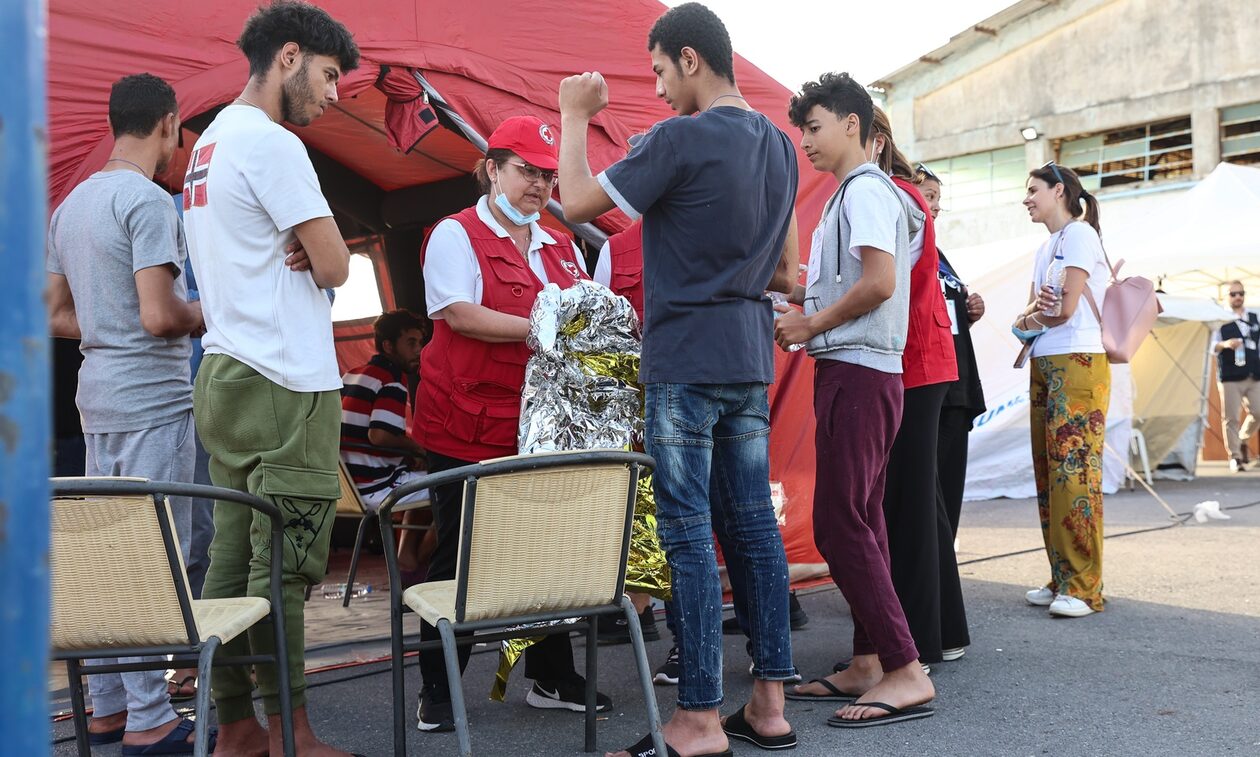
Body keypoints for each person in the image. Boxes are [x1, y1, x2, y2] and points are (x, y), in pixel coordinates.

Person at [558, 4, 801, 754]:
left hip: (686, 358)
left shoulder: (679, 139)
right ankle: (769, 705)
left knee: (689, 533)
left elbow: (574, 203)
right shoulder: (782, 144)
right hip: (747, 355)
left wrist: (573, 116)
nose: (658, 89)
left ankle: (697, 716)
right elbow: (789, 271)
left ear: (690, 58)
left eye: (660, 70)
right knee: (755, 528)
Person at [181, 3, 363, 755]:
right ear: (288, 56)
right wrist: (322, 247)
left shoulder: (208, 145)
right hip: (287, 380)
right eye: (326, 75)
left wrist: (304, 241)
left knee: (229, 559)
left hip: (224, 370)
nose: (333, 94)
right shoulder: (273, 144)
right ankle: (294, 732)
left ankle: (236, 728)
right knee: (286, 566)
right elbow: (335, 266)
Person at [410, 115, 611, 732]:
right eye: (527, 171)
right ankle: (438, 685)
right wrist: (538, 329)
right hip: (465, 427)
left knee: (545, 554)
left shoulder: (559, 241)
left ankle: (550, 674)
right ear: (491, 168)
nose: (540, 185)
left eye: (549, 175)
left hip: (541, 428)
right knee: (459, 555)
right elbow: (458, 313)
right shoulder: (456, 233)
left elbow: (584, 313)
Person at [46, 72, 208, 754]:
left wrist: (106, 328)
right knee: (160, 556)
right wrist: (226, 308)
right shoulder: (147, 202)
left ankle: (108, 705)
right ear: (169, 123)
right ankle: (150, 718)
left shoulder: (72, 205)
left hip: (98, 397)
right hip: (153, 399)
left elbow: (53, 313)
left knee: (116, 550)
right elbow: (161, 314)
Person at [775, 72, 936, 728]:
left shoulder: (866, 190)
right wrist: (807, 306)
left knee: (843, 523)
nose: (804, 141)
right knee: (863, 518)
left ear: (852, 124)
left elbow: (879, 281)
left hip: (859, 371)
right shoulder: (865, 192)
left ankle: (905, 667)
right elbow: (867, 281)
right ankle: (870, 658)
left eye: (812, 127)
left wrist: (812, 324)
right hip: (863, 370)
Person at [866, 108, 969, 666]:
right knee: (919, 500)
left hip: (912, 361)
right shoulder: (900, 194)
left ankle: (921, 642)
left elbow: (882, 284)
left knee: (909, 501)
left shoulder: (893, 196)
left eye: (818, 127)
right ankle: (940, 631)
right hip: (919, 359)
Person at [1013, 161, 1110, 619]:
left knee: (1075, 471)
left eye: (1033, 190)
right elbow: (1029, 315)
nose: (1027, 198)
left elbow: (1061, 311)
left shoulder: (1079, 234)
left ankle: (1084, 587)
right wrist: (1032, 316)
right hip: (1046, 360)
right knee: (1049, 471)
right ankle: (1061, 576)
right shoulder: (1046, 246)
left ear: (1058, 191)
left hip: (1078, 360)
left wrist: (1033, 316)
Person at [914, 164, 987, 539]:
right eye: (929, 196)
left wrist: (969, 309)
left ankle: (944, 559)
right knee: (925, 486)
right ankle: (928, 564)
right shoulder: (906, 247)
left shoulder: (938, 253)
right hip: (926, 384)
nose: (936, 206)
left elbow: (948, 312)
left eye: (939, 198)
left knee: (949, 481)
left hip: (957, 383)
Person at [340, 309, 435, 581]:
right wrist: (418, 449)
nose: (418, 350)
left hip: (349, 488)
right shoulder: (391, 380)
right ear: (388, 346)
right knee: (458, 491)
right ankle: (420, 570)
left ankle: (405, 556)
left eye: (421, 342)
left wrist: (408, 457)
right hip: (376, 488)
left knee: (425, 479)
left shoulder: (352, 375)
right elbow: (379, 435)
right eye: (411, 343)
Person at [1212, 280, 1259, 472]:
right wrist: (1225, 344)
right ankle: (1235, 456)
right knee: (1231, 417)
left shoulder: (1254, 317)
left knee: (1258, 412)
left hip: (1254, 373)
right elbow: (1211, 347)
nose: (1238, 297)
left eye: (1241, 293)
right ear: (1226, 297)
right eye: (1233, 294)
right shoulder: (1219, 318)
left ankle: (1242, 440)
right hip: (1231, 375)